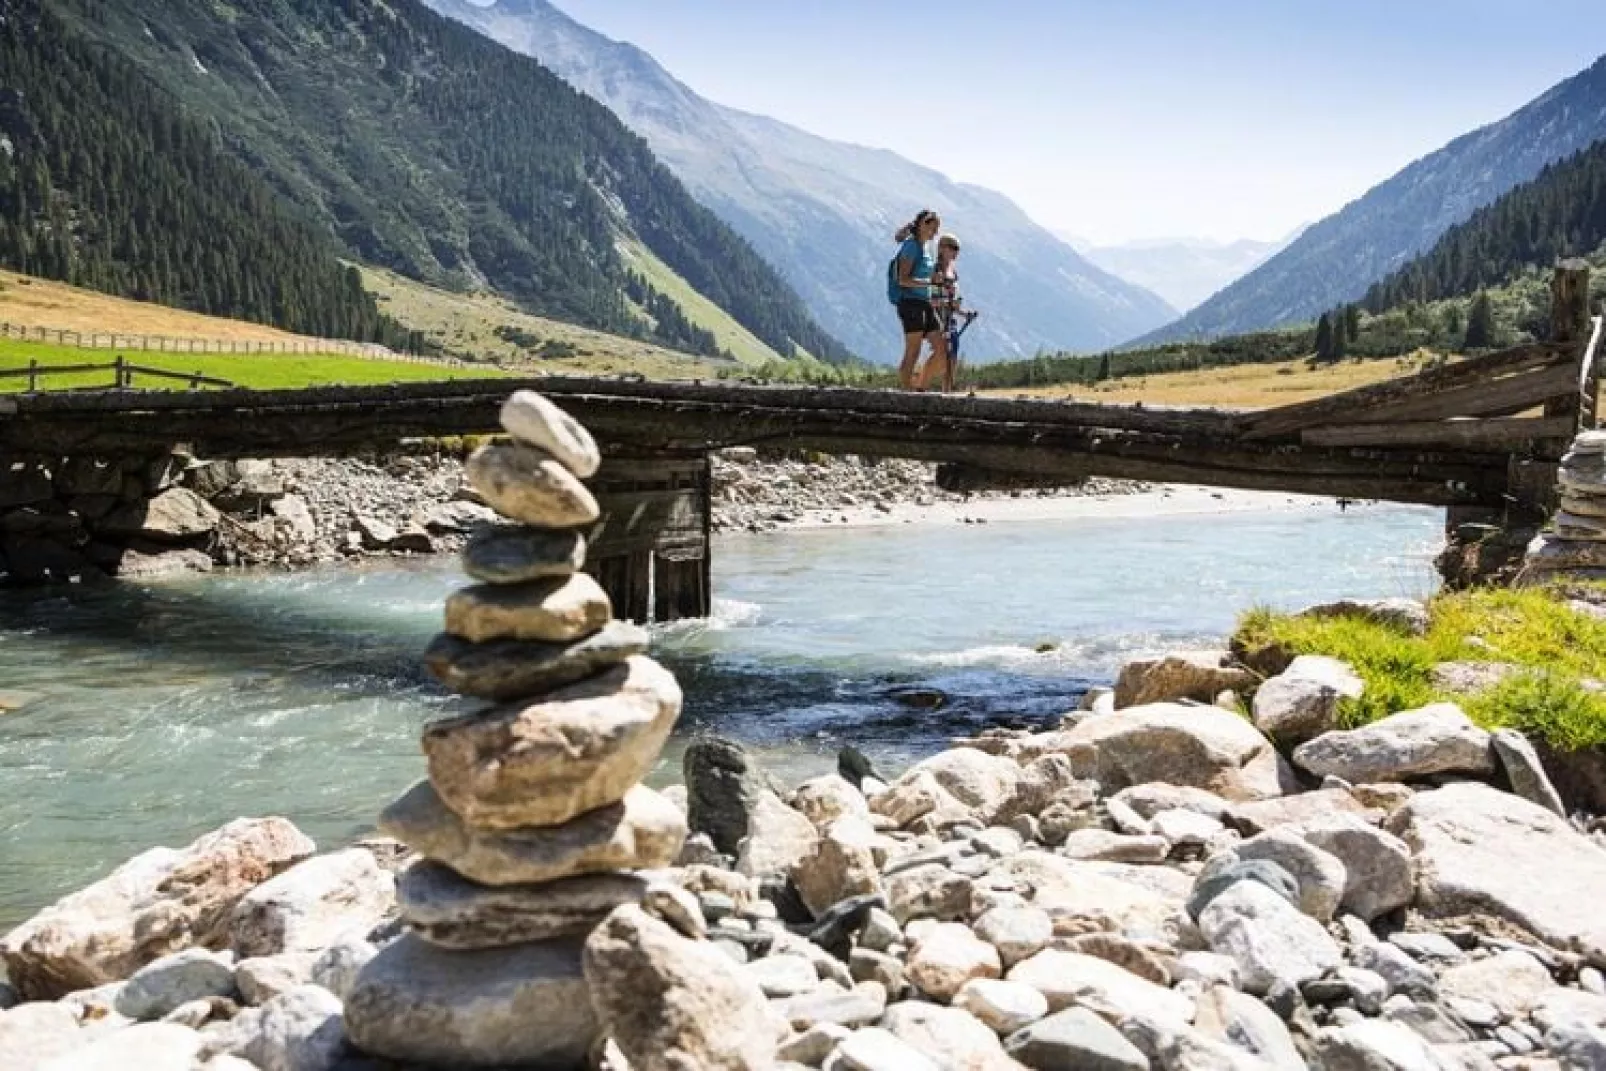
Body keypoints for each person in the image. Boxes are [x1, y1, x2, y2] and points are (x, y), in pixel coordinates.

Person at [891, 210, 948, 389]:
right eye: (933, 228)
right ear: (923, 225)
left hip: (925, 303)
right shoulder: (911, 246)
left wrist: (936, 279)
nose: (935, 233)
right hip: (910, 303)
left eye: (937, 229)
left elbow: (926, 276)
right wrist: (929, 282)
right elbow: (903, 279)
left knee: (942, 350)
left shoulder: (925, 248)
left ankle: (920, 387)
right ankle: (906, 394)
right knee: (913, 351)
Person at [917, 232, 973, 392]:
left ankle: (947, 392)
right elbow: (929, 300)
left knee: (952, 357)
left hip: (949, 320)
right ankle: (921, 386)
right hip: (935, 319)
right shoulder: (934, 271)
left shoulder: (953, 274)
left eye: (958, 249)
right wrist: (948, 303)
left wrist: (963, 313)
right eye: (953, 248)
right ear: (942, 248)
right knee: (941, 356)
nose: (956, 252)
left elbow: (953, 303)